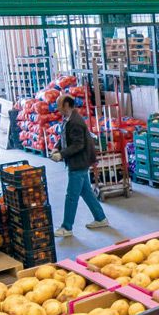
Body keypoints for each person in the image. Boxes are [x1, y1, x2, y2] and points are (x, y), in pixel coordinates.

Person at [56, 95, 110, 237]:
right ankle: (100, 218)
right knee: (86, 191)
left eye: (59, 105)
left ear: (67, 105)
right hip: (78, 162)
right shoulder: (67, 119)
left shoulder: (75, 122)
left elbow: (78, 144)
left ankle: (66, 227)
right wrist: (57, 148)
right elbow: (64, 136)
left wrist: (62, 155)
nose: (57, 108)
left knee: (71, 196)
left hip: (79, 162)